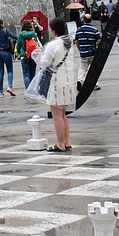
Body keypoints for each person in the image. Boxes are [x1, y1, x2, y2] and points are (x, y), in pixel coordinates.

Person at [38, 17, 79, 151]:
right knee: (63, 114)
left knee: (57, 116)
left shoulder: (52, 45)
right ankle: (67, 141)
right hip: (68, 81)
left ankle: (60, 144)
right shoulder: (69, 43)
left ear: (53, 31)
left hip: (56, 82)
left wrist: (38, 55)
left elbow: (44, 63)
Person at [0, 19, 17, 97]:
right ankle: (10, 86)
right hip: (6, 52)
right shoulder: (5, 30)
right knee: (10, 71)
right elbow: (14, 36)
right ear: (1, 24)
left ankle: (1, 92)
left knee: (1, 72)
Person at [74, 14, 101, 89]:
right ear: (91, 20)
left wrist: (80, 49)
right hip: (92, 53)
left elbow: (76, 41)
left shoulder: (79, 30)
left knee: (83, 68)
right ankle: (95, 84)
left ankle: (80, 80)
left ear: (84, 20)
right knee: (93, 69)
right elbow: (99, 41)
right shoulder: (94, 30)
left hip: (83, 53)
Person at [17, 20, 39, 88]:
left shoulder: (21, 35)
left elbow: (18, 45)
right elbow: (36, 44)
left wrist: (20, 53)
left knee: (26, 74)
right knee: (32, 74)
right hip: (33, 55)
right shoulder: (33, 34)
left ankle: (27, 91)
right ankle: (32, 91)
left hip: (24, 55)